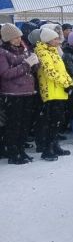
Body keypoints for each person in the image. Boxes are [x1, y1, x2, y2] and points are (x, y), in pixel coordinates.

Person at [0, 24, 39, 164]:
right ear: (7, 39)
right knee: (14, 125)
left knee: (24, 124)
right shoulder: (2, 53)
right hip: (12, 94)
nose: (18, 39)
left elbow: (31, 70)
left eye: (19, 36)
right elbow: (6, 73)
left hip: (27, 92)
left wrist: (35, 63)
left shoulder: (24, 50)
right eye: (15, 37)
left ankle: (21, 151)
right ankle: (13, 153)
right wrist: (26, 65)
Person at [35, 27, 73, 161]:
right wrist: (65, 83)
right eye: (55, 39)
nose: (58, 41)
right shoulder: (43, 52)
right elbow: (50, 72)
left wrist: (70, 82)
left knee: (58, 121)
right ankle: (47, 149)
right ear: (48, 40)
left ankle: (55, 145)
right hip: (51, 92)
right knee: (51, 121)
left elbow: (62, 70)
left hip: (59, 90)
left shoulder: (55, 52)